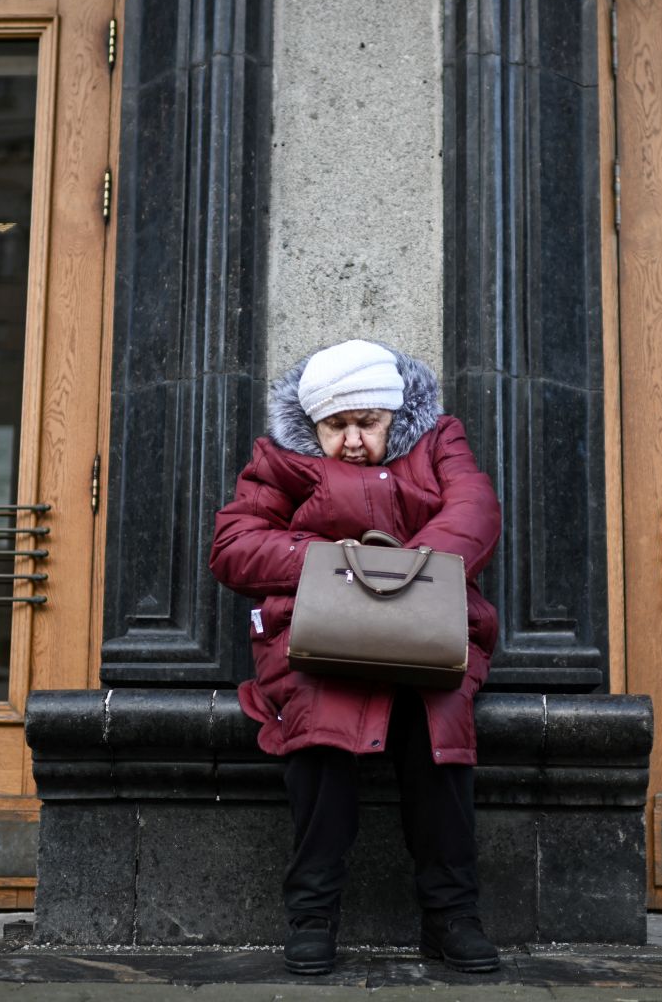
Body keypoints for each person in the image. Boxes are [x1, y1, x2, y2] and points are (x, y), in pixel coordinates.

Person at [209, 339, 502, 975]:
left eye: (366, 424)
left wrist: (404, 575)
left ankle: (453, 915)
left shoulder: (439, 440)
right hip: (321, 639)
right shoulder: (282, 461)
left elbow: (474, 510)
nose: (349, 442)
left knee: (438, 735)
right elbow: (235, 544)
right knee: (322, 734)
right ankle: (312, 914)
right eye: (334, 426)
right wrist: (342, 568)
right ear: (312, 424)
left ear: (394, 414)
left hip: (428, 635)